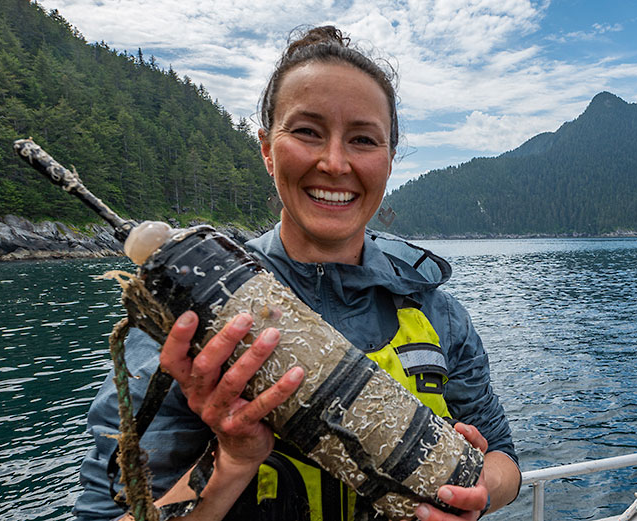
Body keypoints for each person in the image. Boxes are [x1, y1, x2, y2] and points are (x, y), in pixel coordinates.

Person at [72, 26, 520, 521]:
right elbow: (104, 511)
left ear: (389, 161)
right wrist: (232, 461)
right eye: (307, 131)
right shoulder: (196, 316)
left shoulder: (434, 309)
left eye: (363, 139)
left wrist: (480, 491)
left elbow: (501, 454)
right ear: (267, 148)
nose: (334, 162)